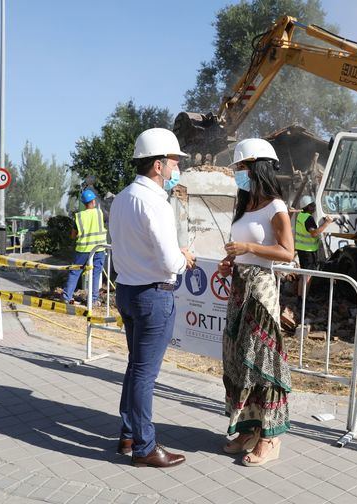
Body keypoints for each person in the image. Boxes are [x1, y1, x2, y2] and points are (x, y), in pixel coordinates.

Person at [110, 128, 196, 468]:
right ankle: (144, 447)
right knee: (145, 374)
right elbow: (168, 260)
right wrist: (184, 257)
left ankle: (128, 434)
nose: (177, 167)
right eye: (174, 161)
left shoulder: (122, 198)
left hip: (127, 291)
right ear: (158, 165)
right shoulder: (156, 203)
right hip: (154, 295)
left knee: (135, 368)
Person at [217, 138, 294, 467]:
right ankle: (249, 428)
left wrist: (248, 249)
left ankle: (270, 436)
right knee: (238, 359)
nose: (238, 174)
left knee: (263, 361)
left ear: (258, 167)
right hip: (239, 288)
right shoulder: (245, 205)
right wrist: (230, 261)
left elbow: (287, 252)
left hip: (261, 292)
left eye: (242, 168)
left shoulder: (276, 207)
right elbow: (242, 247)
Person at [62, 189, 107, 306]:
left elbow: (73, 235)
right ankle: (93, 300)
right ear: (93, 201)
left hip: (83, 250)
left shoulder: (79, 216)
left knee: (75, 272)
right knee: (96, 274)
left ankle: (67, 297)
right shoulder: (99, 213)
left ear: (83, 203)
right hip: (99, 249)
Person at [294, 195, 334, 307]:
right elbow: (314, 233)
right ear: (307, 206)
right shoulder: (308, 218)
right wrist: (326, 223)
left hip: (303, 250)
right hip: (308, 251)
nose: (314, 207)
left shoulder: (301, 215)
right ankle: (304, 301)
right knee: (308, 276)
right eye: (312, 205)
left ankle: (300, 299)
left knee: (303, 275)